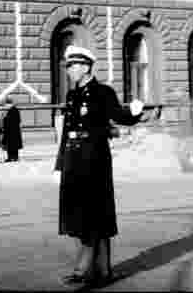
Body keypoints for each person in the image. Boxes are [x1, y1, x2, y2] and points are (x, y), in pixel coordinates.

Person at [54, 45, 144, 286]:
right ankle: (103, 271)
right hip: (73, 162)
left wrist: (135, 112)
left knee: (92, 214)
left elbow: (118, 115)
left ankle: (83, 270)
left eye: (72, 66)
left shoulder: (103, 92)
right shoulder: (72, 95)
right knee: (82, 216)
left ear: (85, 67)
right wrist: (59, 164)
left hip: (94, 162)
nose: (69, 71)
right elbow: (67, 132)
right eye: (68, 67)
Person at [2, 97, 23, 162]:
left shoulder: (13, 110)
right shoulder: (12, 110)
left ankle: (12, 157)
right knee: (12, 145)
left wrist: (5, 118)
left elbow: (14, 121)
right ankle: (13, 157)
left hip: (12, 131)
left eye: (6, 104)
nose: (5, 106)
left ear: (9, 104)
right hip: (11, 131)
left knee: (12, 145)